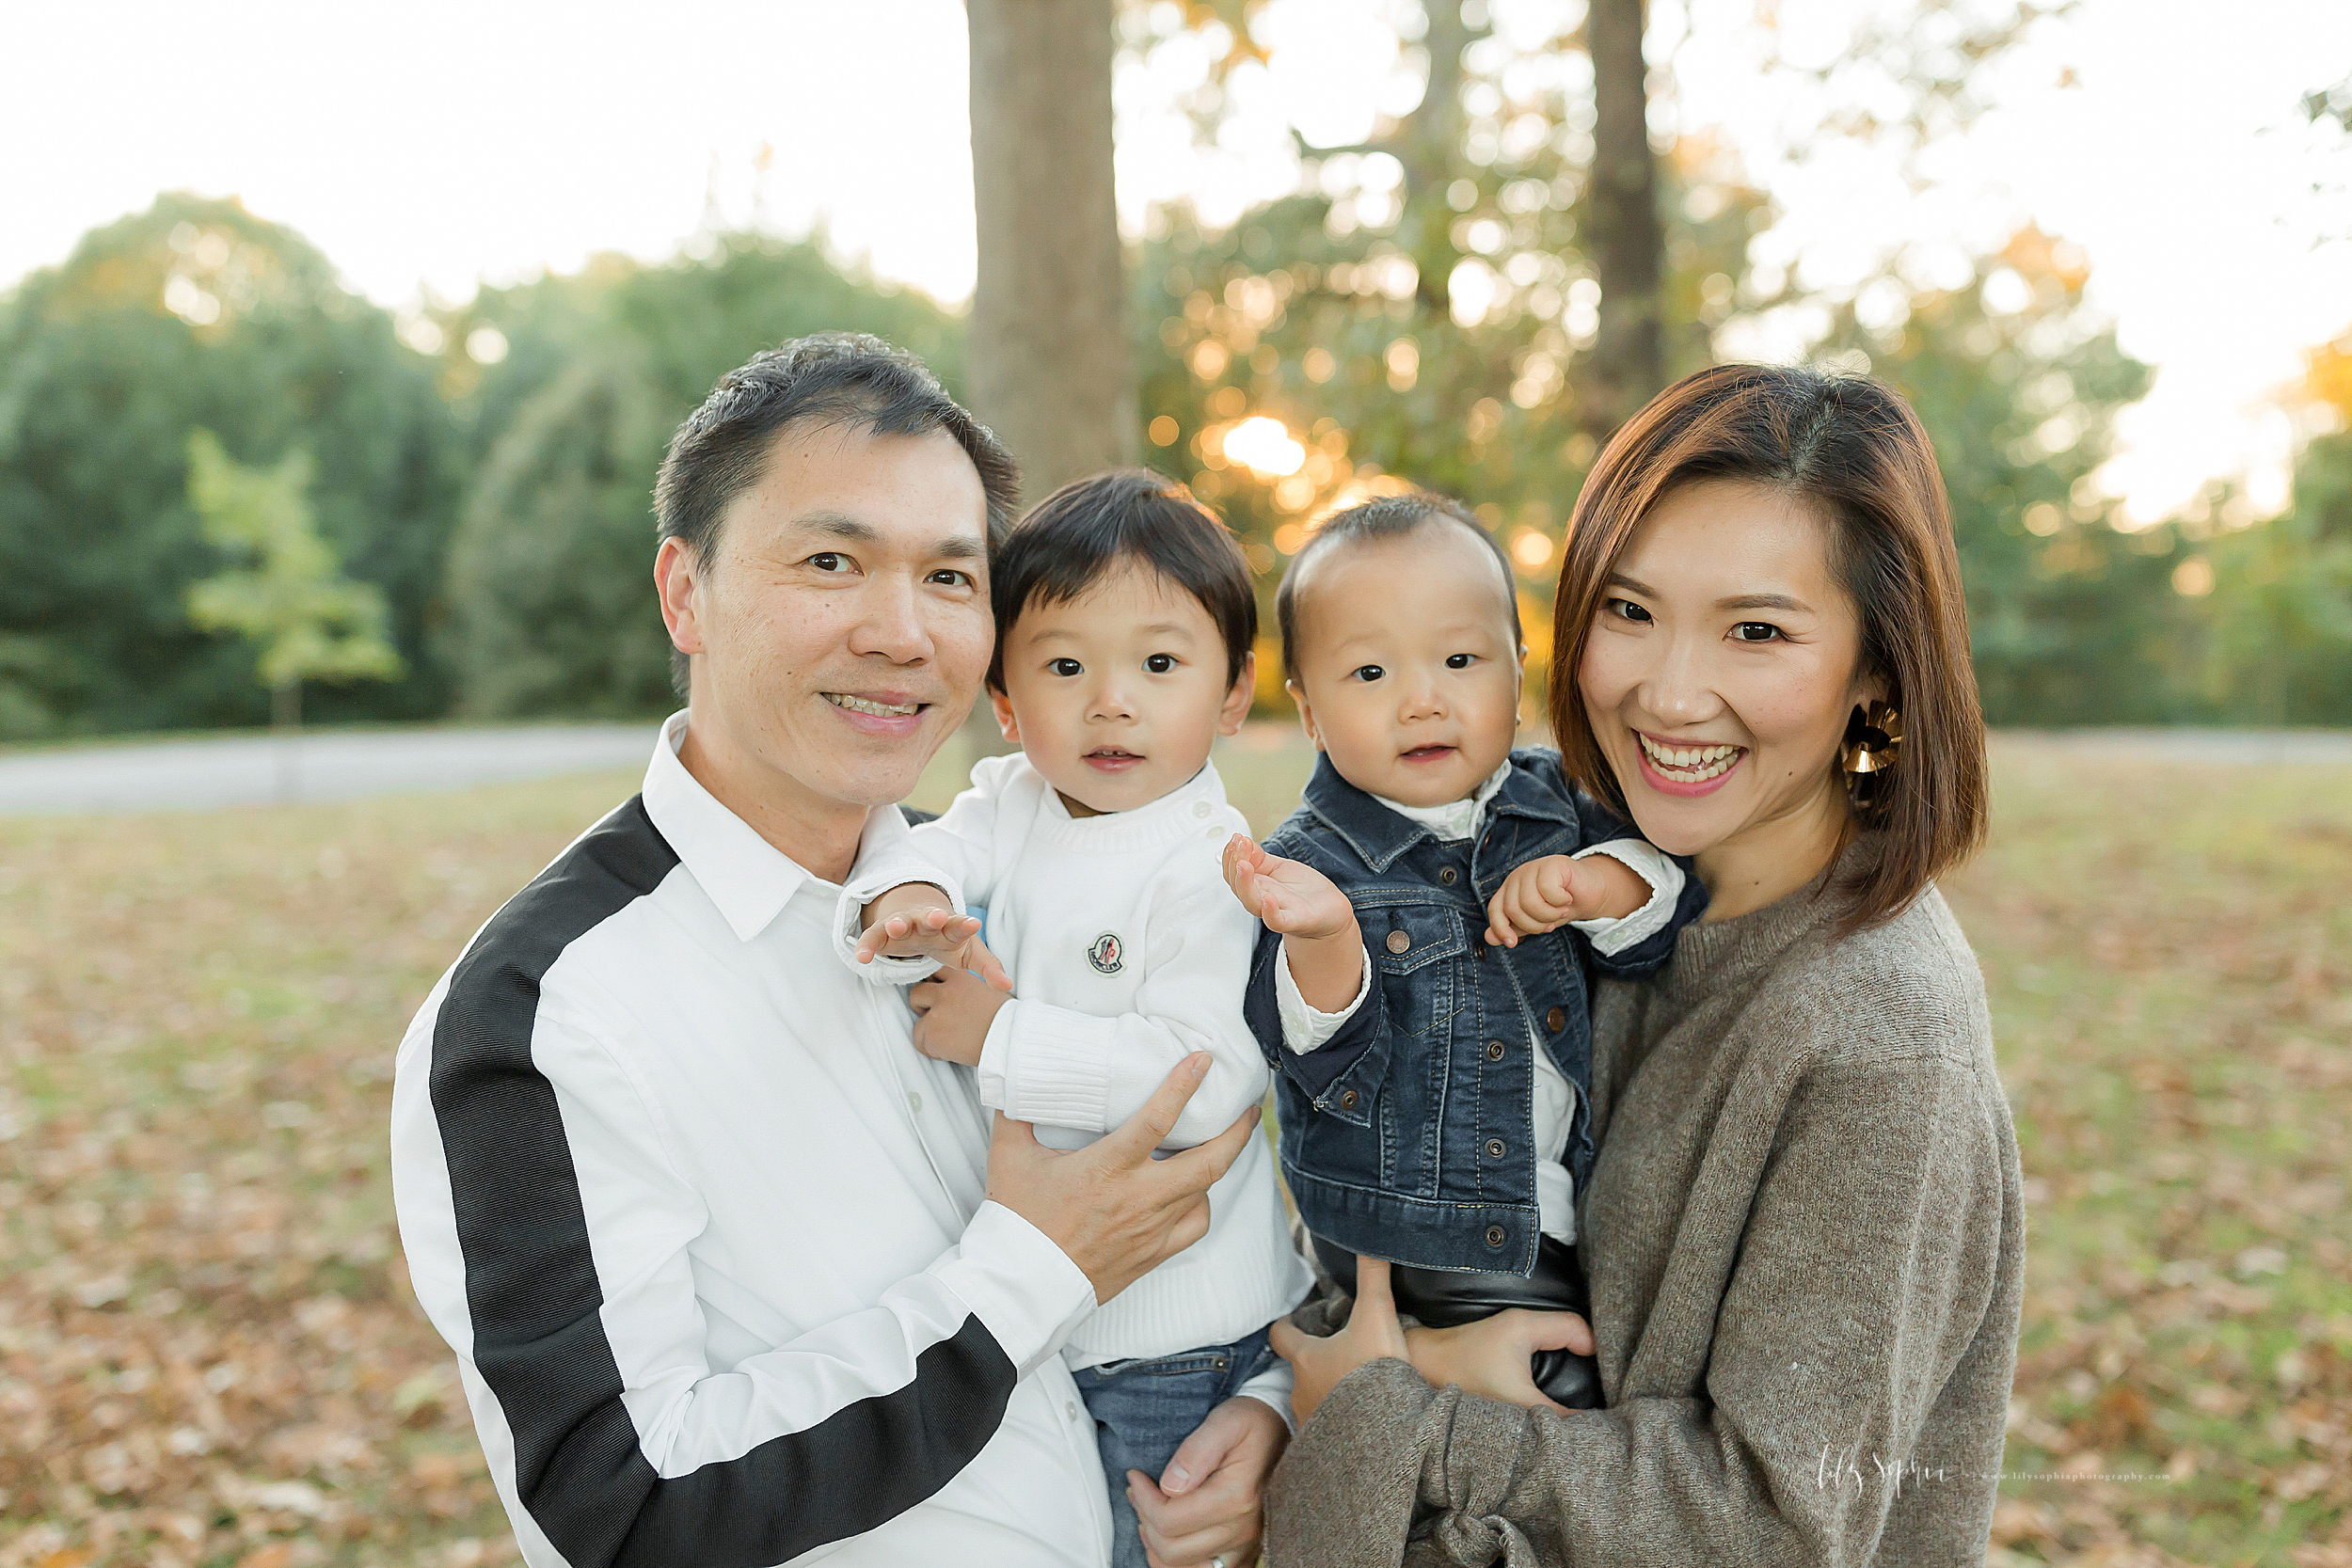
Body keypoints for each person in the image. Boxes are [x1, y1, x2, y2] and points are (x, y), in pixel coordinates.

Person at [389, 333, 1285, 1568]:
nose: (901, 632)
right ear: (683, 591)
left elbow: (1221, 1186)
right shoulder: (543, 1017)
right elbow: (618, 1506)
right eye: (831, 561)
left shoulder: (1013, 879)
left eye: (951, 578)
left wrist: (1257, 1415)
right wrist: (1027, 1269)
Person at [1263, 363, 2026, 1567]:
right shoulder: (1583, 891)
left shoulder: (1880, 1041)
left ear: (1876, 669)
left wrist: (1387, 1408)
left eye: (1758, 630)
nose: (1668, 694)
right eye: (1628, 610)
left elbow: (1768, 1523)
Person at [835, 469, 1313, 1568]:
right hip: (1042, 1325)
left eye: (1158, 663)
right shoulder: (1009, 799)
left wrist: (995, 1037)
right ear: (1005, 699)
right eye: (1063, 666)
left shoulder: (1209, 863)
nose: (1111, 701)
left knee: (1153, 1544)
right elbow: (923, 847)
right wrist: (905, 896)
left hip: (1176, 1342)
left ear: (1233, 694)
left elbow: (1206, 1076)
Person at [1216, 492, 1702, 1410]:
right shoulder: (1308, 867)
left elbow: (1670, 902)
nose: (1422, 699)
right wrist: (1325, 941)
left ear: (1519, 672)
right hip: (1403, 1243)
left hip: (1547, 1224)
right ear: (1309, 708)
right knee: (1556, 1405)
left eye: (1460, 658)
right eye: (1368, 672)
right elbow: (1314, 1054)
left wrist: (1603, 884)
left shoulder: (1555, 805)